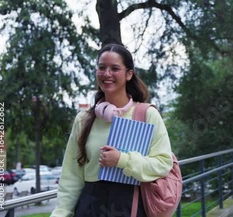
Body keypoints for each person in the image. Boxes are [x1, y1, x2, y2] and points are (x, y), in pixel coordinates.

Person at [51, 44, 174, 217]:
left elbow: (163, 164)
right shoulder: (84, 119)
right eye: (102, 67)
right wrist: (61, 213)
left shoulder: (147, 114)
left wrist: (122, 160)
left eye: (115, 68)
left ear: (129, 74)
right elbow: (71, 175)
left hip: (130, 204)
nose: (107, 74)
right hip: (90, 206)